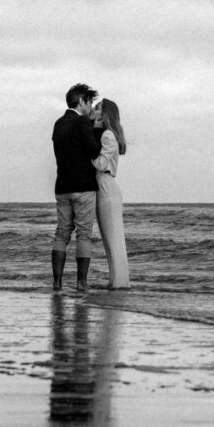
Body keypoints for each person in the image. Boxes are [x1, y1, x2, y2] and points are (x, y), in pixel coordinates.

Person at [51, 83, 101, 292]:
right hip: (83, 186)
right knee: (83, 234)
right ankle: (81, 282)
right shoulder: (82, 123)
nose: (90, 108)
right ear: (81, 101)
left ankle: (57, 282)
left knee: (62, 233)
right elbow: (94, 150)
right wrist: (96, 130)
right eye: (89, 103)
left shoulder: (58, 124)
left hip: (62, 185)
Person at [92, 98, 130, 289]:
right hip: (105, 186)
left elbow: (100, 163)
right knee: (111, 239)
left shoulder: (107, 135)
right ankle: (116, 281)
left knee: (113, 239)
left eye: (97, 108)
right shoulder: (108, 134)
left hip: (106, 186)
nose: (94, 111)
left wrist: (87, 152)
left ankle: (120, 282)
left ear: (105, 114)